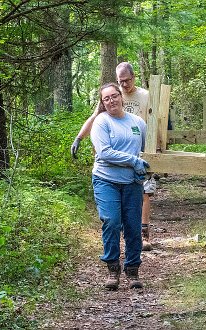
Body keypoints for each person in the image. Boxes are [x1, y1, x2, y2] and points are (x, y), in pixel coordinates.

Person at [71, 62, 155, 252]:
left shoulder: (145, 96)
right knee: (113, 218)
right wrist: (79, 137)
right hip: (112, 162)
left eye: (127, 81)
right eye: (121, 81)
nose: (124, 85)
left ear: (134, 77)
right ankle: (115, 255)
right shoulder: (110, 96)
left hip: (138, 151)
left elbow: (155, 120)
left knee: (146, 193)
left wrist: (155, 150)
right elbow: (94, 118)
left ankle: (144, 234)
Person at [90, 83, 148, 290]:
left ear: (121, 97)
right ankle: (113, 269)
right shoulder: (101, 122)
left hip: (132, 182)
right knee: (112, 221)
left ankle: (132, 270)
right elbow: (104, 152)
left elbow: (144, 151)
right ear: (103, 103)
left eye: (114, 96)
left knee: (133, 227)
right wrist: (133, 161)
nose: (112, 101)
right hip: (106, 180)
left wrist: (142, 165)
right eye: (106, 99)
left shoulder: (138, 123)